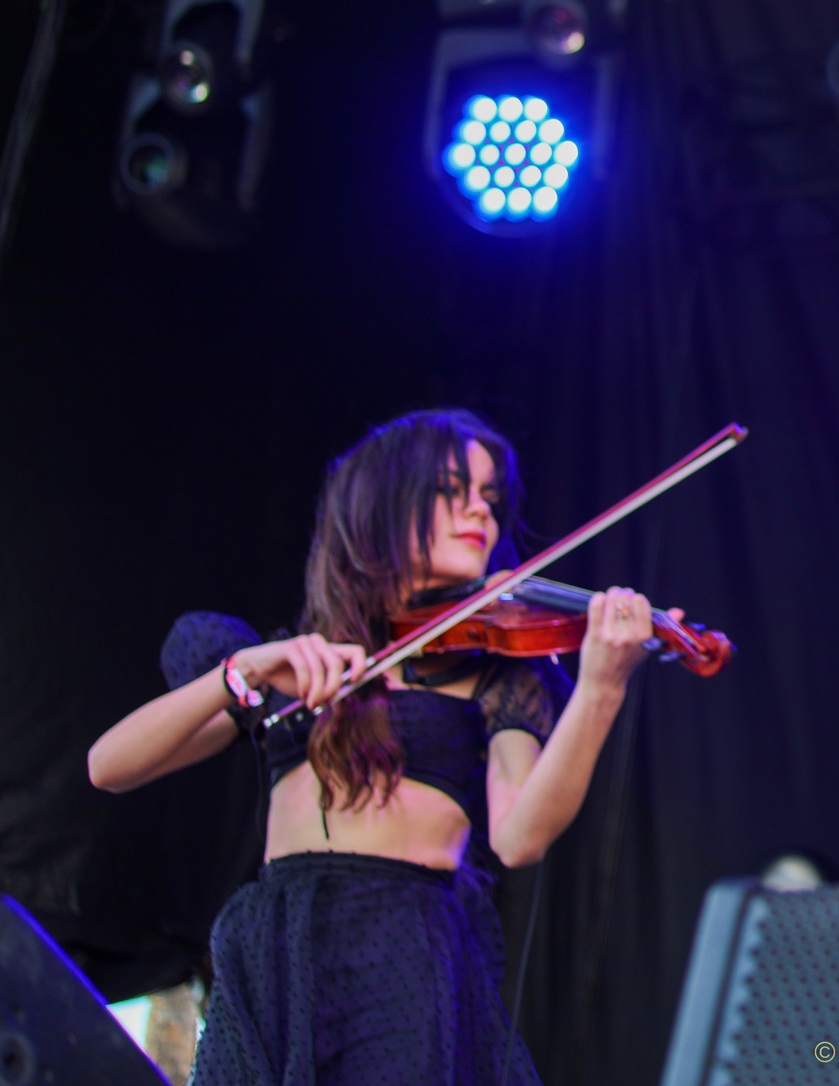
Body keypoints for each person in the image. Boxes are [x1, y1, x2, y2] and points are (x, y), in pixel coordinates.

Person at [88, 409, 676, 1085]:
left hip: (403, 941)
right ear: (379, 505)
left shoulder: (498, 673)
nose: (479, 512)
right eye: (450, 489)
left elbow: (519, 837)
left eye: (489, 497)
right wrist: (243, 670)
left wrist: (601, 686)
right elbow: (109, 766)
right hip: (279, 945)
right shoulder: (297, 665)